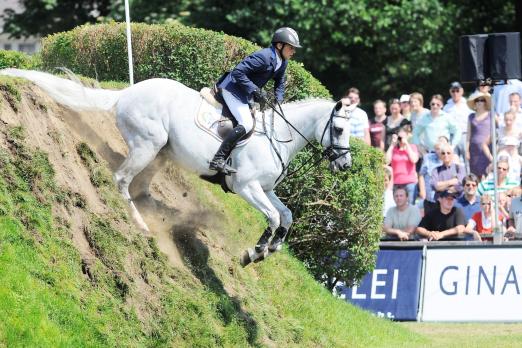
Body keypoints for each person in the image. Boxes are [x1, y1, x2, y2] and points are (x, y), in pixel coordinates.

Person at [209, 27, 301, 174]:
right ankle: (218, 159)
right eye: (291, 48)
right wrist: (255, 90)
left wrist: (279, 101)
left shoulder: (282, 62)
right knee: (246, 123)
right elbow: (238, 72)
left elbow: (280, 83)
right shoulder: (264, 56)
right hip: (232, 89)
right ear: (279, 45)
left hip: (244, 94)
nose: (293, 52)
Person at [386, 127, 418, 204]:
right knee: (397, 207)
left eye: (403, 137)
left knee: (410, 207)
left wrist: (406, 144)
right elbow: (386, 161)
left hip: (410, 183)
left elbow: (414, 160)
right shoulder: (394, 149)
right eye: (399, 137)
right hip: (397, 183)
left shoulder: (412, 147)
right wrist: (392, 145)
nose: (401, 139)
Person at [443, 81, 472, 166]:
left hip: (465, 135)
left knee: (467, 160)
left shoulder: (468, 105)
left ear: (462, 91)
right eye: (453, 91)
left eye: (457, 91)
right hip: (452, 136)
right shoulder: (446, 107)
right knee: (453, 161)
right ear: (450, 92)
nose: (455, 93)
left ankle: (469, 178)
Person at [465, 91, 492, 179]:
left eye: (482, 100)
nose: (479, 102)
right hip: (474, 150)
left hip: (487, 149)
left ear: (485, 102)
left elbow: (500, 129)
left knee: (488, 173)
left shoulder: (491, 115)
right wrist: (467, 150)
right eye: (477, 100)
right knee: (475, 175)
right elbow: (468, 135)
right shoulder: (471, 116)